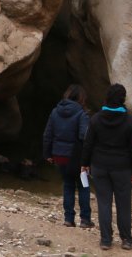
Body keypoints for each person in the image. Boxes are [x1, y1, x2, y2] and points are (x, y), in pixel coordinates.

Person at [82, 83, 132, 251]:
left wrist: (84, 164)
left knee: (104, 203)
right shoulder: (130, 120)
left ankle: (106, 240)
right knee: (123, 204)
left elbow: (88, 144)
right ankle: (126, 240)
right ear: (123, 99)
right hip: (122, 168)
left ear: (107, 97)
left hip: (99, 166)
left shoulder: (96, 118)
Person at [43, 84, 93, 229]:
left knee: (68, 185)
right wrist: (88, 158)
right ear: (81, 98)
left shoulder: (55, 112)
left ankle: (68, 219)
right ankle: (85, 219)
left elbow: (47, 135)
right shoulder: (82, 114)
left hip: (59, 155)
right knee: (83, 186)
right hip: (76, 157)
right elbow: (84, 136)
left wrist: (47, 154)